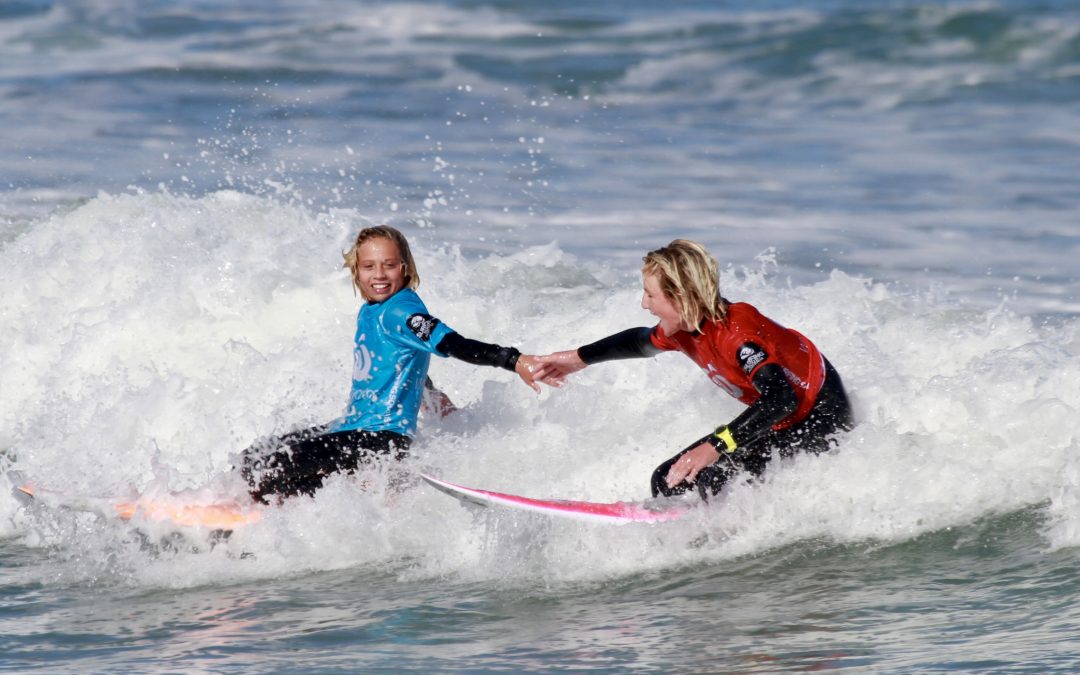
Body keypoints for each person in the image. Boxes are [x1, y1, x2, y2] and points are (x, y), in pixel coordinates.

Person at [241, 225, 542, 504]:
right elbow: (402, 356)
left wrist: (514, 360)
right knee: (255, 456)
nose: (379, 275)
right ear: (356, 272)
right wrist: (431, 394)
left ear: (405, 268)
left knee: (270, 468)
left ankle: (245, 522)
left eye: (389, 264)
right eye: (369, 266)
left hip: (380, 440)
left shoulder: (401, 312)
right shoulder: (371, 311)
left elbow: (453, 343)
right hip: (353, 429)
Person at [532, 239, 853, 500]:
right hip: (779, 418)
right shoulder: (686, 328)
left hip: (819, 416)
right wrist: (577, 358)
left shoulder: (738, 337)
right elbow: (638, 343)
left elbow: (781, 398)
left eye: (650, 294)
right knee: (667, 481)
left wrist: (715, 446)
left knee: (712, 477)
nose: (644, 304)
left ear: (682, 298)